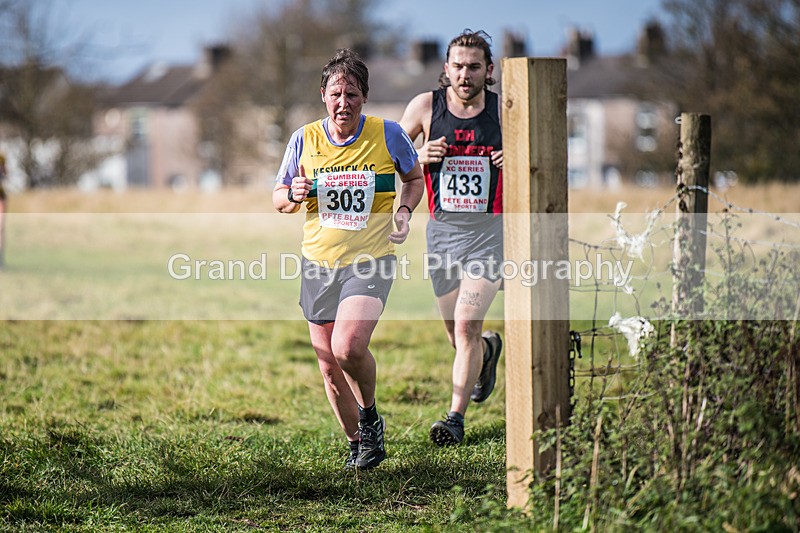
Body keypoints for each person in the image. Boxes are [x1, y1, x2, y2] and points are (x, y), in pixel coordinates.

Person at [273, 49, 424, 470]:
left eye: (353, 94)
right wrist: (293, 194)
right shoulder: (304, 139)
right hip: (318, 264)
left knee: (348, 347)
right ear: (323, 95)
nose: (344, 103)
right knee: (328, 368)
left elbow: (414, 179)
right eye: (337, 93)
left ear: (365, 97)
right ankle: (359, 443)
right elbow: (279, 196)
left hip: (370, 260)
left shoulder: (389, 134)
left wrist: (404, 211)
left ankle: (371, 418)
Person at [399, 30, 504, 446]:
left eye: (474, 66)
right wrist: (417, 157)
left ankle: (454, 418)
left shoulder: (503, 111)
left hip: (489, 236)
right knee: (457, 336)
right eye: (458, 66)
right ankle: (489, 351)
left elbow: (539, 161)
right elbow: (389, 154)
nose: (465, 74)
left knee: (465, 326)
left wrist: (513, 160)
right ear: (446, 69)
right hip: (442, 236)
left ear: (488, 70)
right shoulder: (426, 107)